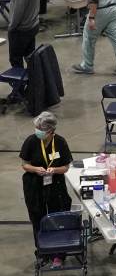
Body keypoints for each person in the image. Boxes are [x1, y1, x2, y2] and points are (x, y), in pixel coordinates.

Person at [20, 111, 72, 266]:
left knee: (57, 218)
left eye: (40, 129)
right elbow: (25, 163)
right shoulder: (31, 141)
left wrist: (54, 170)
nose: (37, 131)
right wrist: (36, 169)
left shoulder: (60, 142)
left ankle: (59, 254)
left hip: (55, 186)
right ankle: (42, 253)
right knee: (38, 219)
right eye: (36, 128)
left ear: (50, 130)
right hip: (35, 186)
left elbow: (66, 166)